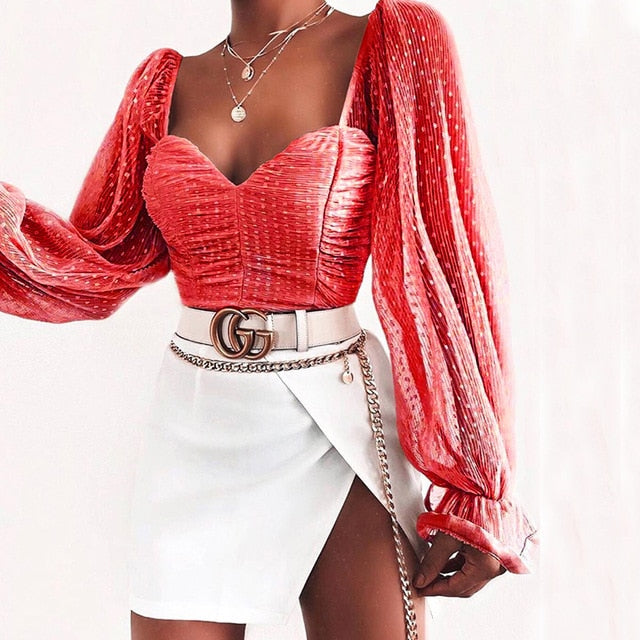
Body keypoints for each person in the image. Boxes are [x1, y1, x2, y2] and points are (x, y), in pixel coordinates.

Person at [0, 1, 539, 638]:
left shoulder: (392, 45)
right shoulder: (159, 87)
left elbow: (445, 260)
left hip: (338, 421)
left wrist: (478, 487)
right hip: (194, 423)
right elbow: (94, 263)